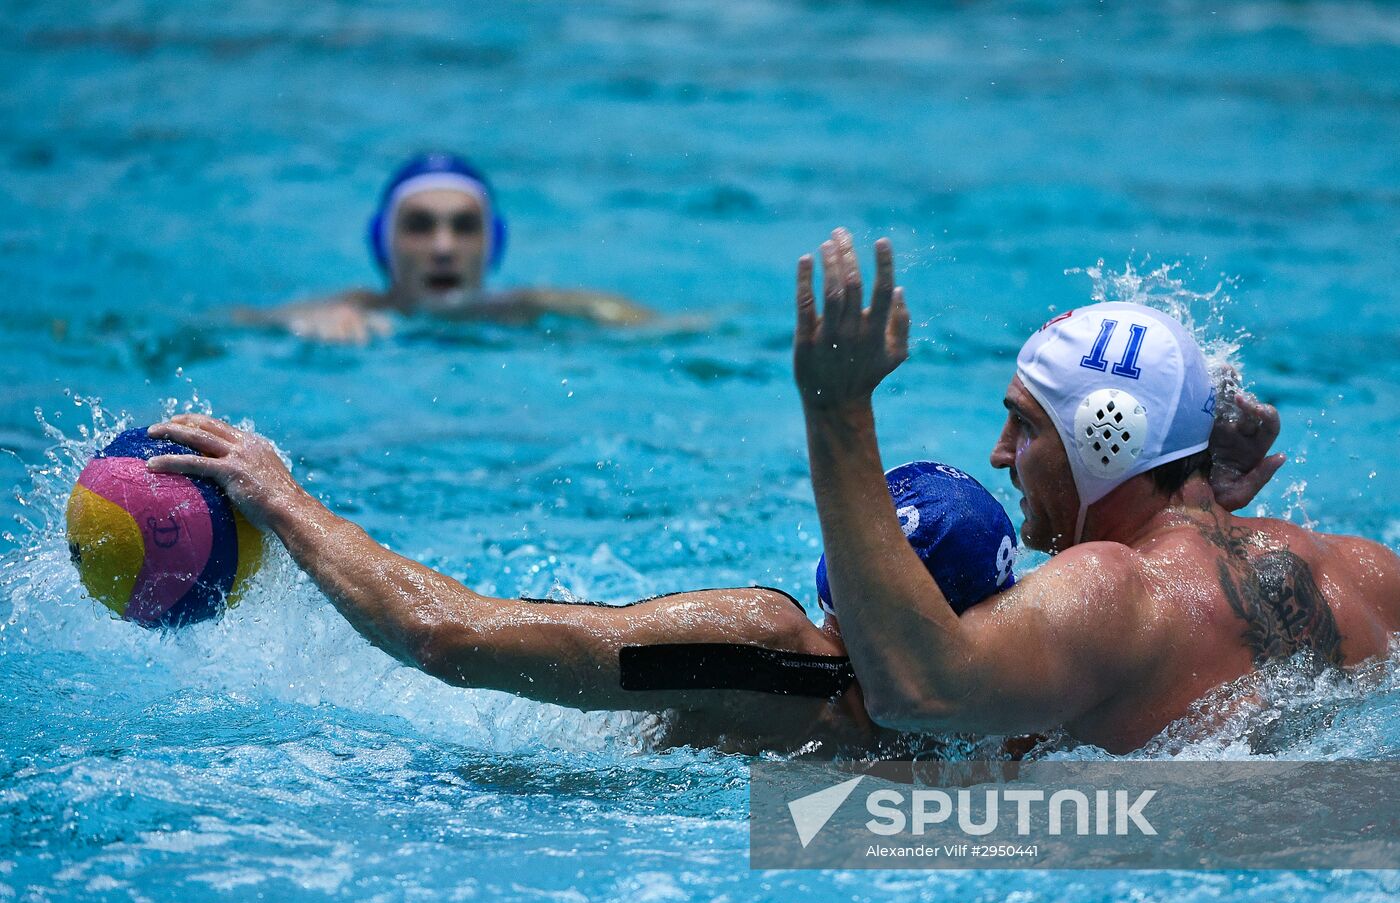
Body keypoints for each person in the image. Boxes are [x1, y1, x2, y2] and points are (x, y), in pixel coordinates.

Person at [141, 287, 1288, 756]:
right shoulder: (1045, 709)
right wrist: (1193, 498)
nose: (1005, 449)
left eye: (1021, 428)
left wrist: (283, 498)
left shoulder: (767, 654)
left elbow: (450, 636)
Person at [795, 229, 1400, 753]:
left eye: (1027, 424)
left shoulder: (1116, 592)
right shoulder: (1368, 571)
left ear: (1108, 440)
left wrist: (837, 414)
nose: (1001, 453)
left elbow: (919, 692)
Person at [237, 153, 654, 343]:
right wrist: (306, 322)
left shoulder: (532, 310)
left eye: (465, 226)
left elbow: (665, 327)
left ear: (495, 243)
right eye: (419, 226)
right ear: (383, 243)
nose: (443, 246)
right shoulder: (353, 310)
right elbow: (232, 325)